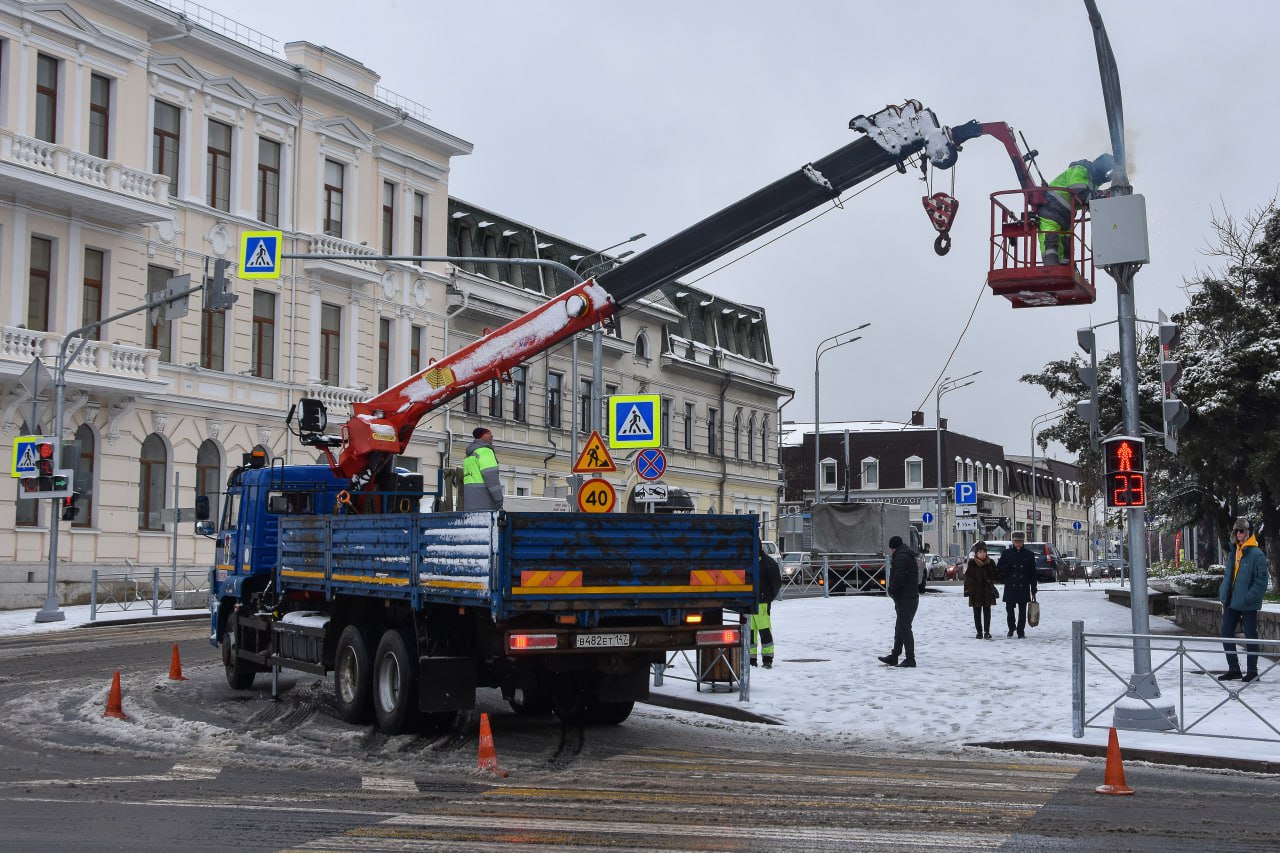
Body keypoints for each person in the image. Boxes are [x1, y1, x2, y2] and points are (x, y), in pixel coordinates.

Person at [1038, 153, 1115, 265]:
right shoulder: (1080, 169)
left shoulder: (1093, 182)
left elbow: (1090, 201)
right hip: (1051, 210)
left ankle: (1066, 268)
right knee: (1050, 241)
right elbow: (1079, 192)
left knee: (1066, 246)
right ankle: (1051, 269)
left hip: (1066, 217)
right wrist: (1102, 194)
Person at [1218, 517, 1269, 682]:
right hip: (1232, 600)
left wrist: (1249, 597)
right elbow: (1229, 575)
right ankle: (1234, 669)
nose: (1239, 534)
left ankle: (1252, 671)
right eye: (1236, 531)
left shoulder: (1256, 553)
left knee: (1250, 635)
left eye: (1242, 531)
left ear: (1248, 532)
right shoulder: (1234, 551)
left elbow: (1261, 581)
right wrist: (1223, 593)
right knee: (1226, 631)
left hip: (1247, 603)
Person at [877, 535, 920, 668]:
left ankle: (910, 659)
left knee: (905, 628)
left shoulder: (900, 557)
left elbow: (899, 577)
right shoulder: (907, 555)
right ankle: (894, 656)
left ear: (892, 548)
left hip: (905, 597)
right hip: (910, 596)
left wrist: (891, 590)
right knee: (900, 627)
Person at [997, 531, 1037, 638]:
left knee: (1022, 611)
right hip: (1011, 584)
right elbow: (1000, 567)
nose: (1018, 544)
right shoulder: (1007, 553)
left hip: (1023, 585)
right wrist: (1007, 568)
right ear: (1012, 542)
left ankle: (1020, 631)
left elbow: (1033, 573)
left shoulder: (1029, 555)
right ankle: (1011, 627)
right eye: (1016, 541)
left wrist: (1033, 588)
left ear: (1023, 542)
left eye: (1020, 541)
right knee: (1009, 609)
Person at [750, 542, 783, 668]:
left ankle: (767, 658)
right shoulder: (755, 561)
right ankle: (751, 659)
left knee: (764, 631)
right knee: (750, 632)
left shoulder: (768, 563)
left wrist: (768, 598)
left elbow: (776, 583)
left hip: (762, 602)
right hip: (749, 602)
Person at [461, 426, 504, 511]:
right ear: (481, 436)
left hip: (470, 502)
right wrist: (499, 499)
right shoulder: (485, 451)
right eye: (488, 433)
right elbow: (491, 477)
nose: (491, 436)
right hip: (485, 501)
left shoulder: (469, 455)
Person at [963, 541, 1000, 640]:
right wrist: (967, 590)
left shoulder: (990, 563)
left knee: (987, 612)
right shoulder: (972, 563)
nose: (982, 554)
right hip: (976, 592)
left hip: (987, 592)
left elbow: (996, 576)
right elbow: (967, 578)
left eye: (984, 552)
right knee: (977, 613)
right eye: (980, 552)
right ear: (976, 553)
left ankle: (987, 631)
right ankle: (979, 632)